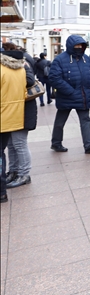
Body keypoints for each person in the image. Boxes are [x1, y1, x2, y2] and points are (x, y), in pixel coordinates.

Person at [49, 35, 90, 154]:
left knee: (85, 120)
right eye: (76, 45)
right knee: (60, 121)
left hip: (84, 96)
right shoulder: (60, 59)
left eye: (81, 45)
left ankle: (89, 145)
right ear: (70, 46)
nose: (79, 48)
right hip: (66, 96)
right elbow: (54, 78)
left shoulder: (86, 59)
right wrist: (70, 91)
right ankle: (56, 143)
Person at [3, 44, 37, 189]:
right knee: (11, 144)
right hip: (11, 110)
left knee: (19, 143)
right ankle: (13, 171)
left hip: (24, 110)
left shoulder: (23, 65)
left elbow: (30, 81)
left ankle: (24, 174)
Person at [0, 43, 29, 202]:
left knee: (13, 148)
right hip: (13, 117)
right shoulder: (20, 69)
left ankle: (3, 189)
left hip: (3, 116)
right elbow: (24, 92)